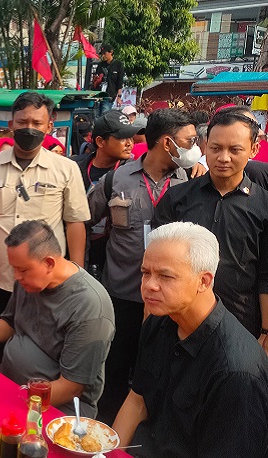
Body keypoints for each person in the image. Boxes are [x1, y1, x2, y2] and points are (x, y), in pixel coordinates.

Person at [113, 222, 268, 457]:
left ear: (204, 281)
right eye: (146, 272)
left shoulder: (237, 372)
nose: (149, 285)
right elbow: (137, 401)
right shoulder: (158, 322)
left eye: (165, 276)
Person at [87, 108, 194, 424]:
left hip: (167, 302)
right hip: (122, 295)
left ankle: (146, 428)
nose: (195, 148)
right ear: (167, 143)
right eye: (189, 141)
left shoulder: (191, 182)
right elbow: (83, 219)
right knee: (114, 367)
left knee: (157, 369)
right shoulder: (116, 179)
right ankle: (106, 427)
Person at [0, 92, 90, 344]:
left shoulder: (66, 169)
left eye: (37, 123)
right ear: (11, 125)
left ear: (49, 126)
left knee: (37, 346)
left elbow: (75, 221)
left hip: (44, 281)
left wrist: (77, 270)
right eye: (22, 122)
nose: (29, 128)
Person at [153, 110, 268, 355]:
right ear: (205, 147)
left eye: (235, 149)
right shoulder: (177, 199)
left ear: (253, 149)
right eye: (215, 148)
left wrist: (267, 336)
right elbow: (156, 265)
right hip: (177, 324)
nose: (223, 158)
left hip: (241, 328)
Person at [0, 220, 114, 418]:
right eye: (14, 268)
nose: (16, 276)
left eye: (22, 270)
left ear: (49, 263)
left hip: (55, 406)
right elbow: (10, 325)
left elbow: (71, 387)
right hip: (9, 381)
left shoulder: (89, 305)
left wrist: (10, 400)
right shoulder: (29, 282)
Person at [71, 110, 140, 192]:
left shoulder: (134, 173)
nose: (130, 143)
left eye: (131, 137)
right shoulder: (74, 169)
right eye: (122, 138)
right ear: (100, 141)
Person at [92, 45, 124, 114]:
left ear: (111, 52)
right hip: (99, 94)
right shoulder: (101, 65)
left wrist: (119, 97)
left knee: (105, 113)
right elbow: (95, 79)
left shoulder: (118, 64)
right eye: (102, 54)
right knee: (95, 114)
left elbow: (120, 82)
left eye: (105, 53)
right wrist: (96, 80)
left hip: (109, 95)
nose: (103, 56)